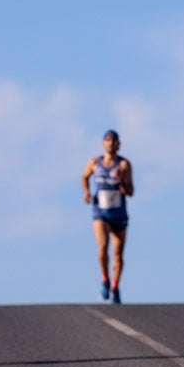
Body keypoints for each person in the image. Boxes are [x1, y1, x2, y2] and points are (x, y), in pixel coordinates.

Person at [82, 129, 134, 304]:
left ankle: (115, 286)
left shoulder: (124, 165)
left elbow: (131, 191)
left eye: (114, 140)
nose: (111, 143)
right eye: (108, 140)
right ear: (103, 143)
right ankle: (105, 279)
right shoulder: (94, 163)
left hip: (118, 214)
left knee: (118, 254)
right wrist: (87, 192)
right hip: (101, 213)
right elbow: (84, 177)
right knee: (103, 246)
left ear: (119, 144)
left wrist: (121, 182)